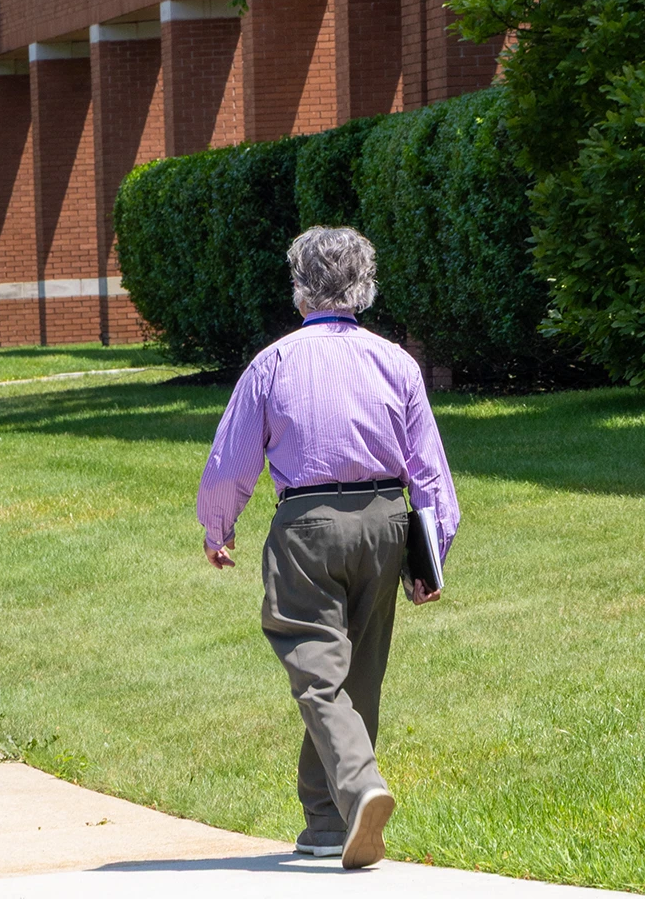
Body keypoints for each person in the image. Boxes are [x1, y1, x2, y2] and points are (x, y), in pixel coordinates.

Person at [196, 226, 459, 869]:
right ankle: (325, 823)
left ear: (300, 285)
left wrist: (218, 526)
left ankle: (362, 786)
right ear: (363, 286)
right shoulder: (396, 362)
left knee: (315, 669)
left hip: (307, 524)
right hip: (385, 524)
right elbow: (428, 472)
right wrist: (433, 555)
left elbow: (232, 463)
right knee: (357, 679)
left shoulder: (275, 362)